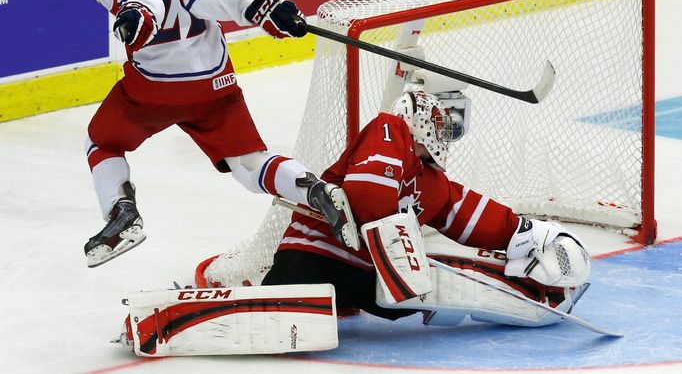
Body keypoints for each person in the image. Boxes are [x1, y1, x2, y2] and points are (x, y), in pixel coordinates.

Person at [77, 0, 359, 268]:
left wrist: (139, 17)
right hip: (215, 80)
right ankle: (315, 189)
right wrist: (260, 8)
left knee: (102, 141)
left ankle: (121, 217)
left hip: (157, 88)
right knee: (248, 164)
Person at [244, 89, 591, 323]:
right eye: (438, 124)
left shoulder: (433, 183)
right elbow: (367, 194)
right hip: (315, 254)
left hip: (366, 277)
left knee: (429, 292)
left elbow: (469, 214)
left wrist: (526, 234)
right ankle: (247, 308)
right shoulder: (389, 129)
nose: (443, 135)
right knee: (281, 305)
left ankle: (529, 296)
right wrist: (400, 254)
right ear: (418, 119)